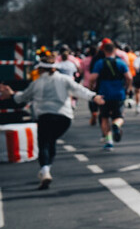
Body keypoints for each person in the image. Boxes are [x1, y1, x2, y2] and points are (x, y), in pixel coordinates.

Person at [0, 50, 104, 189]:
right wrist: (93, 96)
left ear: (40, 69)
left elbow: (21, 98)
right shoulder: (64, 79)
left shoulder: (37, 83)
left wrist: (11, 94)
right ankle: (46, 168)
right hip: (64, 118)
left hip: (45, 116)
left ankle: (45, 170)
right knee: (51, 141)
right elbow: (79, 90)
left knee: (44, 143)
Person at [91, 39, 132, 151]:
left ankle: (109, 141)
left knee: (104, 117)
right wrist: (128, 88)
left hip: (104, 93)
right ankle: (117, 125)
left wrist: (92, 88)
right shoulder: (121, 63)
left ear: (104, 51)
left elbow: (92, 77)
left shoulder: (99, 63)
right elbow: (129, 77)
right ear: (115, 50)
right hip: (119, 93)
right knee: (119, 116)